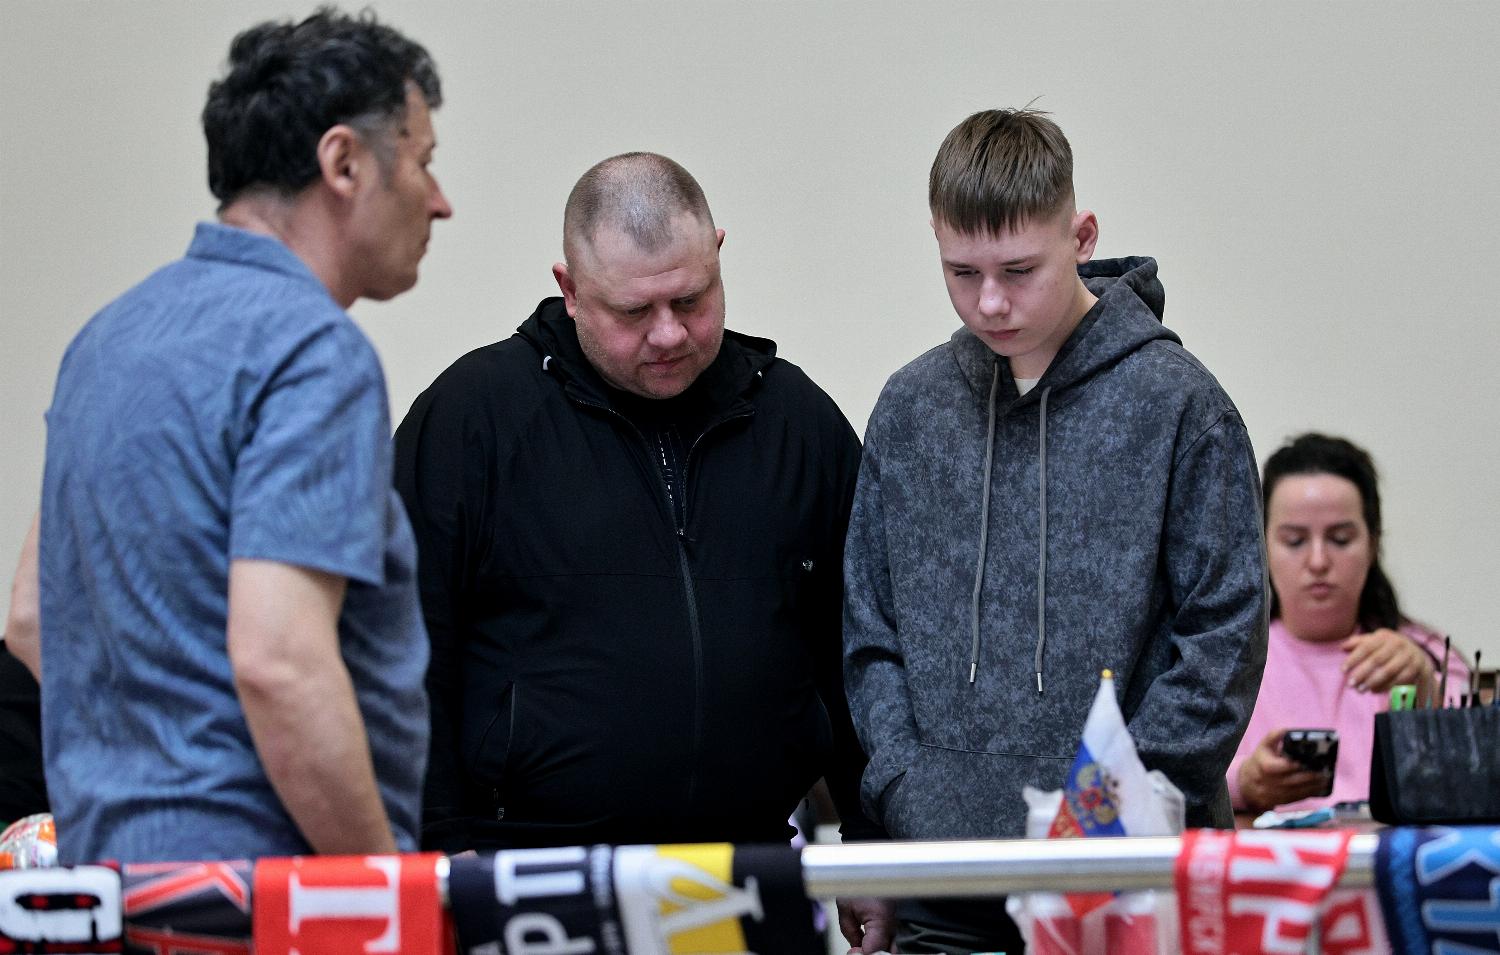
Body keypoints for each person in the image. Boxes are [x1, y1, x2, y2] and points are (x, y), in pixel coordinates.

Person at [394, 151, 894, 951]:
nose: (668, 333)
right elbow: (407, 653)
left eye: (691, 299)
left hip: (746, 879)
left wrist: (871, 846)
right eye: (633, 311)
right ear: (569, 288)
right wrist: (438, 848)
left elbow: (859, 657)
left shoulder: (798, 424)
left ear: (719, 253)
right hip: (528, 880)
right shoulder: (471, 421)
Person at [842, 108, 1268, 953]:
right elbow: (869, 631)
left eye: (1019, 270)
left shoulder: (1180, 405)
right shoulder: (911, 408)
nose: (990, 302)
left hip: (1132, 885)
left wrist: (1110, 808)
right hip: (945, 889)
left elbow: (1224, 634)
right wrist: (903, 790)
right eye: (961, 272)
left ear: (1082, 236)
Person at [38, 7, 452, 864]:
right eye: (422, 161)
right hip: (259, 894)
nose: (440, 202)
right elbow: (279, 659)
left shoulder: (107, 339)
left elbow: (28, 618)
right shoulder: (312, 349)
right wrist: (383, 889)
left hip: (110, 883)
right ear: (344, 162)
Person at [1229, 433, 1468, 814]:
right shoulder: (1228, 662)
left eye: (1340, 539)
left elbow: (1477, 767)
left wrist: (1427, 689)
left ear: (1372, 544)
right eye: (1294, 541)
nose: (1318, 561)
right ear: (1262, 545)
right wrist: (1243, 785)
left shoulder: (1424, 655)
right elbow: (1168, 779)